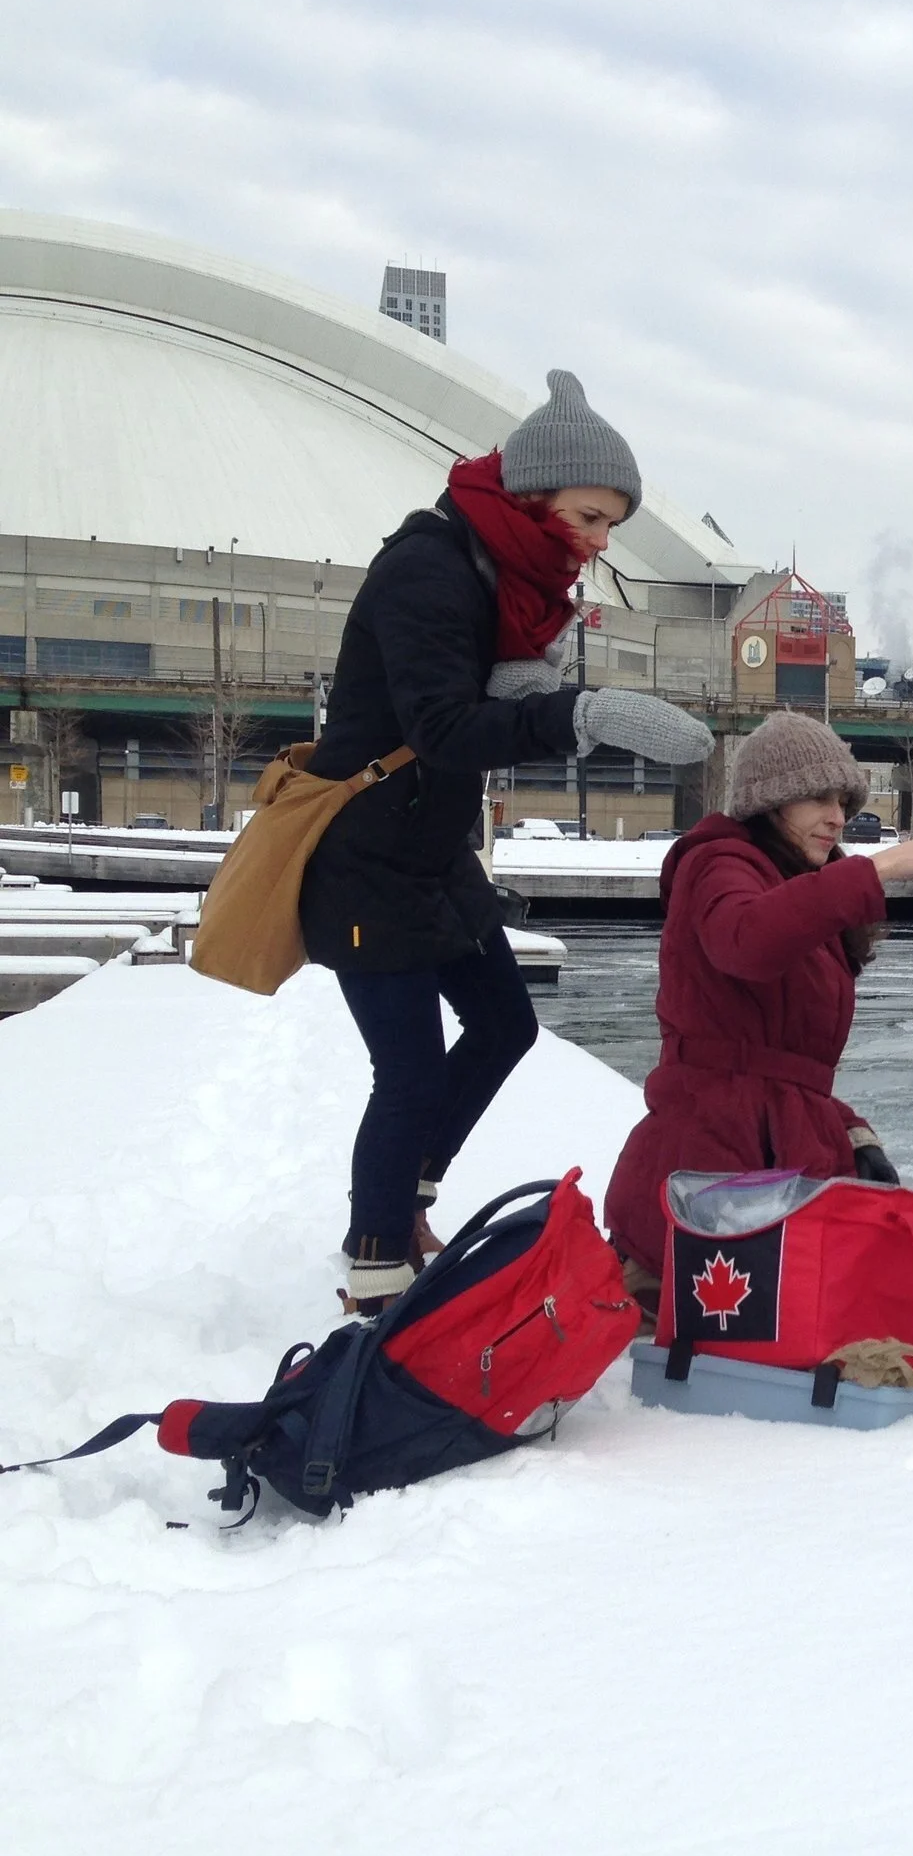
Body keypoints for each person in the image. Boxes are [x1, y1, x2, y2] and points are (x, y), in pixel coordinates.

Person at [302, 370, 715, 1313]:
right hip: (367, 858)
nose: (601, 542)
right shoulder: (428, 568)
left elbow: (497, 688)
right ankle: (378, 1270)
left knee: (504, 1024)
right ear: (531, 496)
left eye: (612, 522)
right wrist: (581, 712)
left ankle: (401, 1196)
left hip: (434, 854)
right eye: (590, 516)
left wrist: (561, 697)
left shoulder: (504, 572)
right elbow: (445, 726)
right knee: (405, 1071)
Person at [603, 712, 913, 1303]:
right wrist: (875, 870)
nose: (837, 817)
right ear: (771, 801)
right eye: (818, 798)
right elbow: (746, 940)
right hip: (710, 1182)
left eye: (844, 801)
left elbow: (785, 1055)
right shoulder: (717, 863)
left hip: (772, 1171)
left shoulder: (797, 881)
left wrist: (847, 1129)